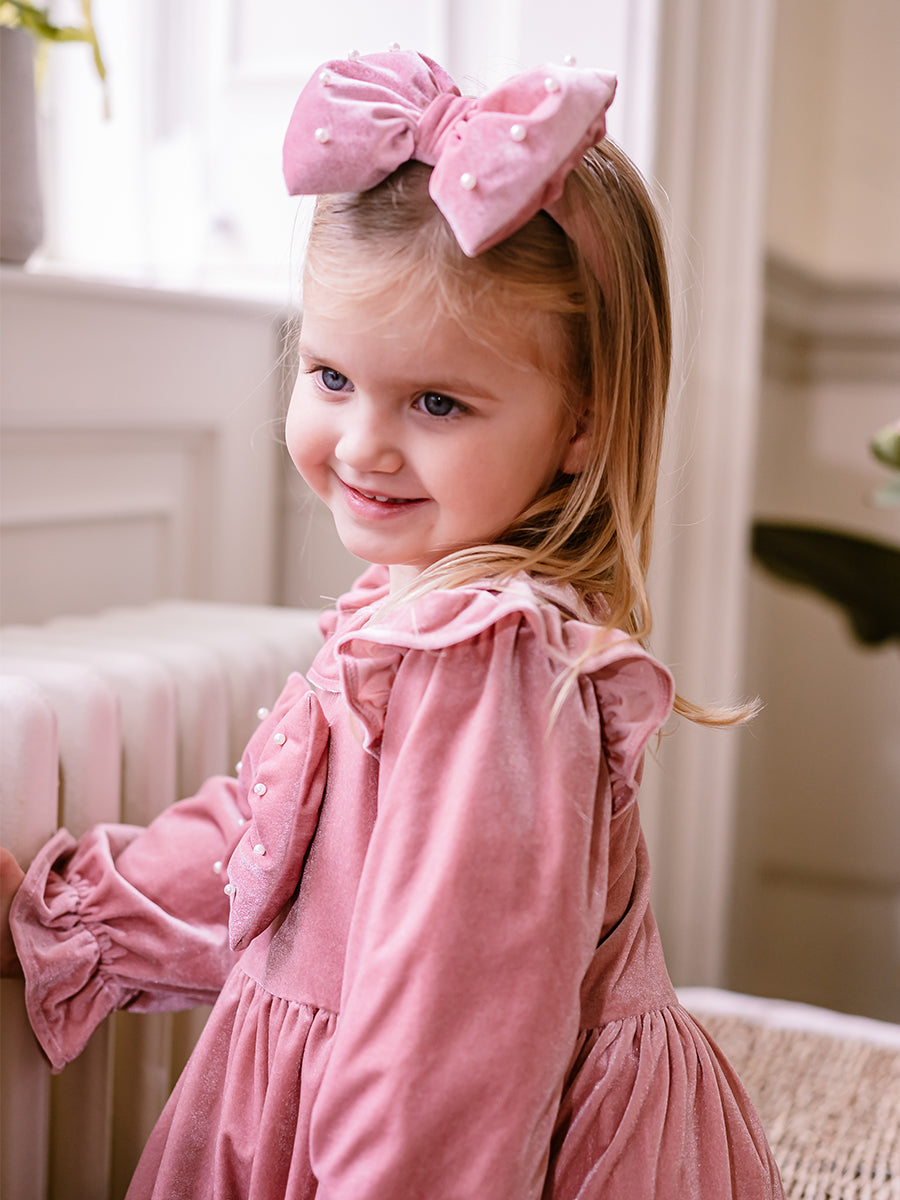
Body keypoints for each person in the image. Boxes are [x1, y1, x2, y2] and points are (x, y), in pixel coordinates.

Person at [1, 49, 783, 1199]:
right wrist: (65, 915)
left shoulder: (489, 668)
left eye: (436, 402)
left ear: (581, 423)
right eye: (330, 377)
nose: (364, 445)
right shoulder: (415, 615)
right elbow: (273, 850)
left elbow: (451, 1058)